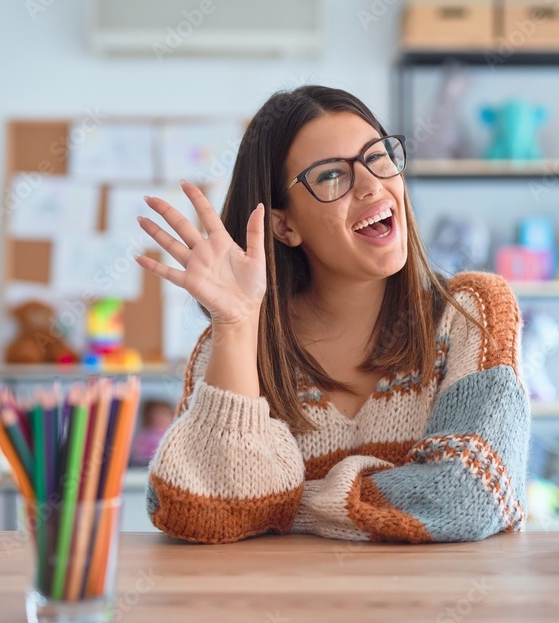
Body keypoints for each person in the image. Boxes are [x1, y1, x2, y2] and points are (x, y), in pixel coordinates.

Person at [134, 85, 530, 544]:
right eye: (330, 177)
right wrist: (239, 323)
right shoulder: (237, 343)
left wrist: (280, 505)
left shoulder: (471, 312)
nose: (370, 185)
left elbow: (468, 496)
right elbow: (196, 510)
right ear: (285, 226)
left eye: (377, 157)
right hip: (293, 610)